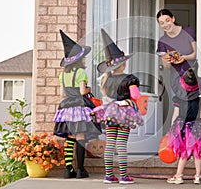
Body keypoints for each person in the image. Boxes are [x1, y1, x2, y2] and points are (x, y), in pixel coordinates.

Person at [156, 8, 201, 184]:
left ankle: (179, 174)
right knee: (181, 106)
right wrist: (168, 61)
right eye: (161, 23)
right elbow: (164, 66)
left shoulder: (187, 32)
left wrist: (183, 58)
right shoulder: (162, 41)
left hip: (189, 74)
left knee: (187, 111)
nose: (165, 24)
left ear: (172, 18)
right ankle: (191, 173)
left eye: (166, 20)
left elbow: (195, 55)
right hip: (176, 79)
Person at [91, 29, 144, 184]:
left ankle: (109, 175)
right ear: (124, 63)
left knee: (110, 144)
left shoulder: (105, 80)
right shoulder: (130, 79)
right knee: (121, 143)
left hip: (110, 113)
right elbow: (136, 96)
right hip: (124, 113)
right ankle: (123, 176)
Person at [53, 30, 94, 179]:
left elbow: (62, 93)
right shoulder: (81, 73)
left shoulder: (62, 75)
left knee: (69, 138)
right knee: (80, 136)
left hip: (66, 107)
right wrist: (89, 89)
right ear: (79, 59)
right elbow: (83, 91)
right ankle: (80, 170)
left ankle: (68, 169)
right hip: (78, 106)